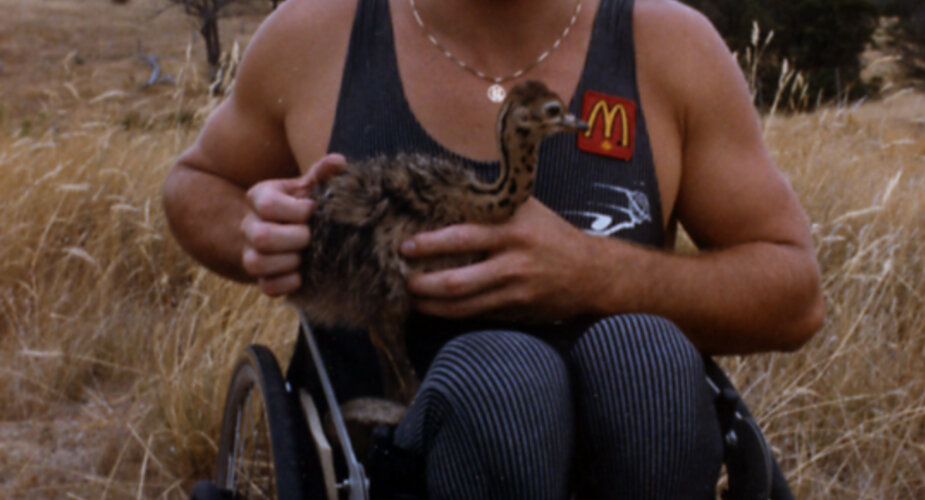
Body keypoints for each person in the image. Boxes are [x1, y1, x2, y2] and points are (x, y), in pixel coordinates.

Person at [163, 0, 824, 497]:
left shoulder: (668, 45)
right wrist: (262, 232)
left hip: (630, 444)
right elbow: (196, 186)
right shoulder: (317, 36)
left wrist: (600, 274)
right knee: (502, 386)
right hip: (390, 457)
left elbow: (794, 296)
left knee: (645, 365)